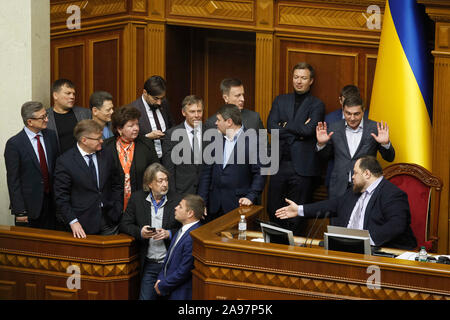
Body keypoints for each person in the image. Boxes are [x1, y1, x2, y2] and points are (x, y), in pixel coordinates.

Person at [275, 156, 417, 250]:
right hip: (347, 249)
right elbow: (333, 205)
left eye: (355, 173)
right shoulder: (355, 191)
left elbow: (396, 225)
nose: (352, 177)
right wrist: (299, 210)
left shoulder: (392, 194)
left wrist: (364, 241)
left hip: (378, 253)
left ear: (367, 174)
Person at [266, 62, 325, 235]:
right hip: (279, 165)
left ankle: (292, 253)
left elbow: (309, 130)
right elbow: (271, 126)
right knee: (273, 209)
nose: (299, 81)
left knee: (296, 216)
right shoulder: (280, 99)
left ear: (311, 81)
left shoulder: (317, 104)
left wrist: (284, 126)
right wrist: (298, 129)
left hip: (302, 168)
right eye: (296, 77)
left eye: (303, 78)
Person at [120, 163, 183, 300]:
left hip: (171, 265)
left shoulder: (177, 200)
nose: (165, 184)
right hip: (149, 264)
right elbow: (124, 224)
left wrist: (169, 234)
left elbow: (187, 228)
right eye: (160, 181)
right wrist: (140, 232)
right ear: (149, 184)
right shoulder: (137, 199)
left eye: (166, 180)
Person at [316, 95, 395, 199]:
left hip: (365, 187)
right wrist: (321, 144)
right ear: (343, 111)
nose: (352, 118)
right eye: (348, 113)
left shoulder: (375, 128)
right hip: (338, 187)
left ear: (363, 111)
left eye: (356, 114)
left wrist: (385, 144)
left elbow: (390, 158)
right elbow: (324, 158)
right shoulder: (333, 128)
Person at [53, 119, 123, 238]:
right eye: (97, 138)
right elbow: (61, 196)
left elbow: (116, 183)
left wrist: (117, 207)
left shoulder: (107, 154)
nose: (102, 141)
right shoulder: (65, 161)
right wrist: (73, 221)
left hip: (109, 219)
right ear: (84, 140)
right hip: (82, 224)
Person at [197, 104, 266, 222]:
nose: (216, 123)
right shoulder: (215, 139)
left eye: (218, 120)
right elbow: (206, 173)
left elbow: (260, 173)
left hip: (238, 205)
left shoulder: (253, 140)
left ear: (229, 122)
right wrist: (201, 201)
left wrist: (251, 196)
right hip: (213, 206)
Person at [4, 101, 59, 229]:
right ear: (30, 122)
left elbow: (56, 167)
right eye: (42, 117)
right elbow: (13, 180)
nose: (47, 119)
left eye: (46, 115)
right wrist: (19, 210)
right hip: (29, 208)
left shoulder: (51, 136)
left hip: (52, 205)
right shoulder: (14, 144)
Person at [103, 105, 159, 211]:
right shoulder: (106, 147)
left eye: (137, 124)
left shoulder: (146, 144)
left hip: (141, 204)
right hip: (112, 207)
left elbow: (155, 172)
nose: (136, 128)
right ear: (119, 129)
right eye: (131, 126)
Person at [154, 194, 203, 300]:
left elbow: (184, 271)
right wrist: (161, 278)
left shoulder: (193, 236)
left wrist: (163, 285)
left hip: (180, 294)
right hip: (169, 287)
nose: (176, 208)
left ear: (190, 213)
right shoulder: (182, 229)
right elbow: (169, 259)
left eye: (180, 206)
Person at [162, 95, 205, 195]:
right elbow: (169, 170)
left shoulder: (210, 132)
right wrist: (173, 196)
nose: (197, 115)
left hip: (206, 195)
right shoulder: (172, 135)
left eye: (199, 111)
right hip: (182, 193)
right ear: (183, 112)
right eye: (192, 111)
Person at [127, 75, 174, 159]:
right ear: (145, 93)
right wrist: (147, 137)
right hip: (145, 159)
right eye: (156, 98)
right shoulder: (132, 109)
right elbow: (127, 138)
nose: (159, 102)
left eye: (161, 98)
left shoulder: (164, 103)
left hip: (166, 158)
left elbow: (171, 125)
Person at [47, 79, 91, 154]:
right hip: (59, 163)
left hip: (83, 161)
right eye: (68, 93)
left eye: (73, 94)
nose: (72, 97)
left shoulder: (85, 113)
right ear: (55, 95)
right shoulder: (45, 117)